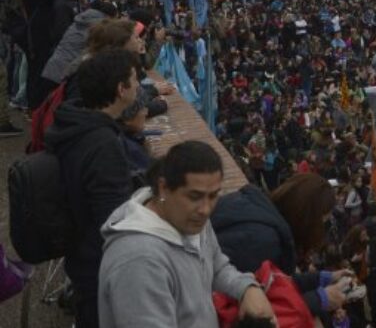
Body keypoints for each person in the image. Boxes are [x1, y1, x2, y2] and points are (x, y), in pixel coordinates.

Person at [98, 140, 276, 327]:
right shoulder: (139, 262)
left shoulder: (190, 219)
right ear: (163, 188)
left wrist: (246, 288)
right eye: (194, 196)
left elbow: (217, 266)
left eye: (213, 196)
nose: (206, 209)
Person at [43, 48, 139, 327]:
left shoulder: (75, 123)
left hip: (82, 258)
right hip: (98, 270)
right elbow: (114, 221)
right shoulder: (102, 144)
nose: (137, 85)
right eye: (133, 80)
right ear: (121, 89)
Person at [211, 172, 352, 319]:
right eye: (322, 222)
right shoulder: (265, 243)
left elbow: (274, 283)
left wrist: (321, 278)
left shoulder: (255, 207)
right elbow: (254, 312)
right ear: (308, 220)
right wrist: (319, 299)